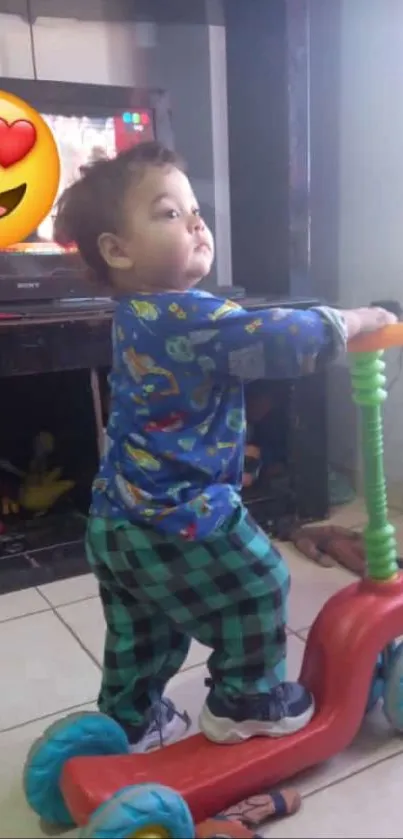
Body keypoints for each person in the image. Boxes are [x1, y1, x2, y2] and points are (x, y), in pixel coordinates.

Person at [53, 141, 396, 753]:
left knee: (145, 628)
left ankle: (128, 721)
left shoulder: (136, 314)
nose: (195, 221)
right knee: (259, 582)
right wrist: (364, 317)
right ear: (117, 249)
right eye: (168, 213)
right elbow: (285, 338)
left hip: (117, 519)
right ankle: (246, 702)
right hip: (180, 517)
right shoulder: (192, 317)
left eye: (194, 208)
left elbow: (246, 330)